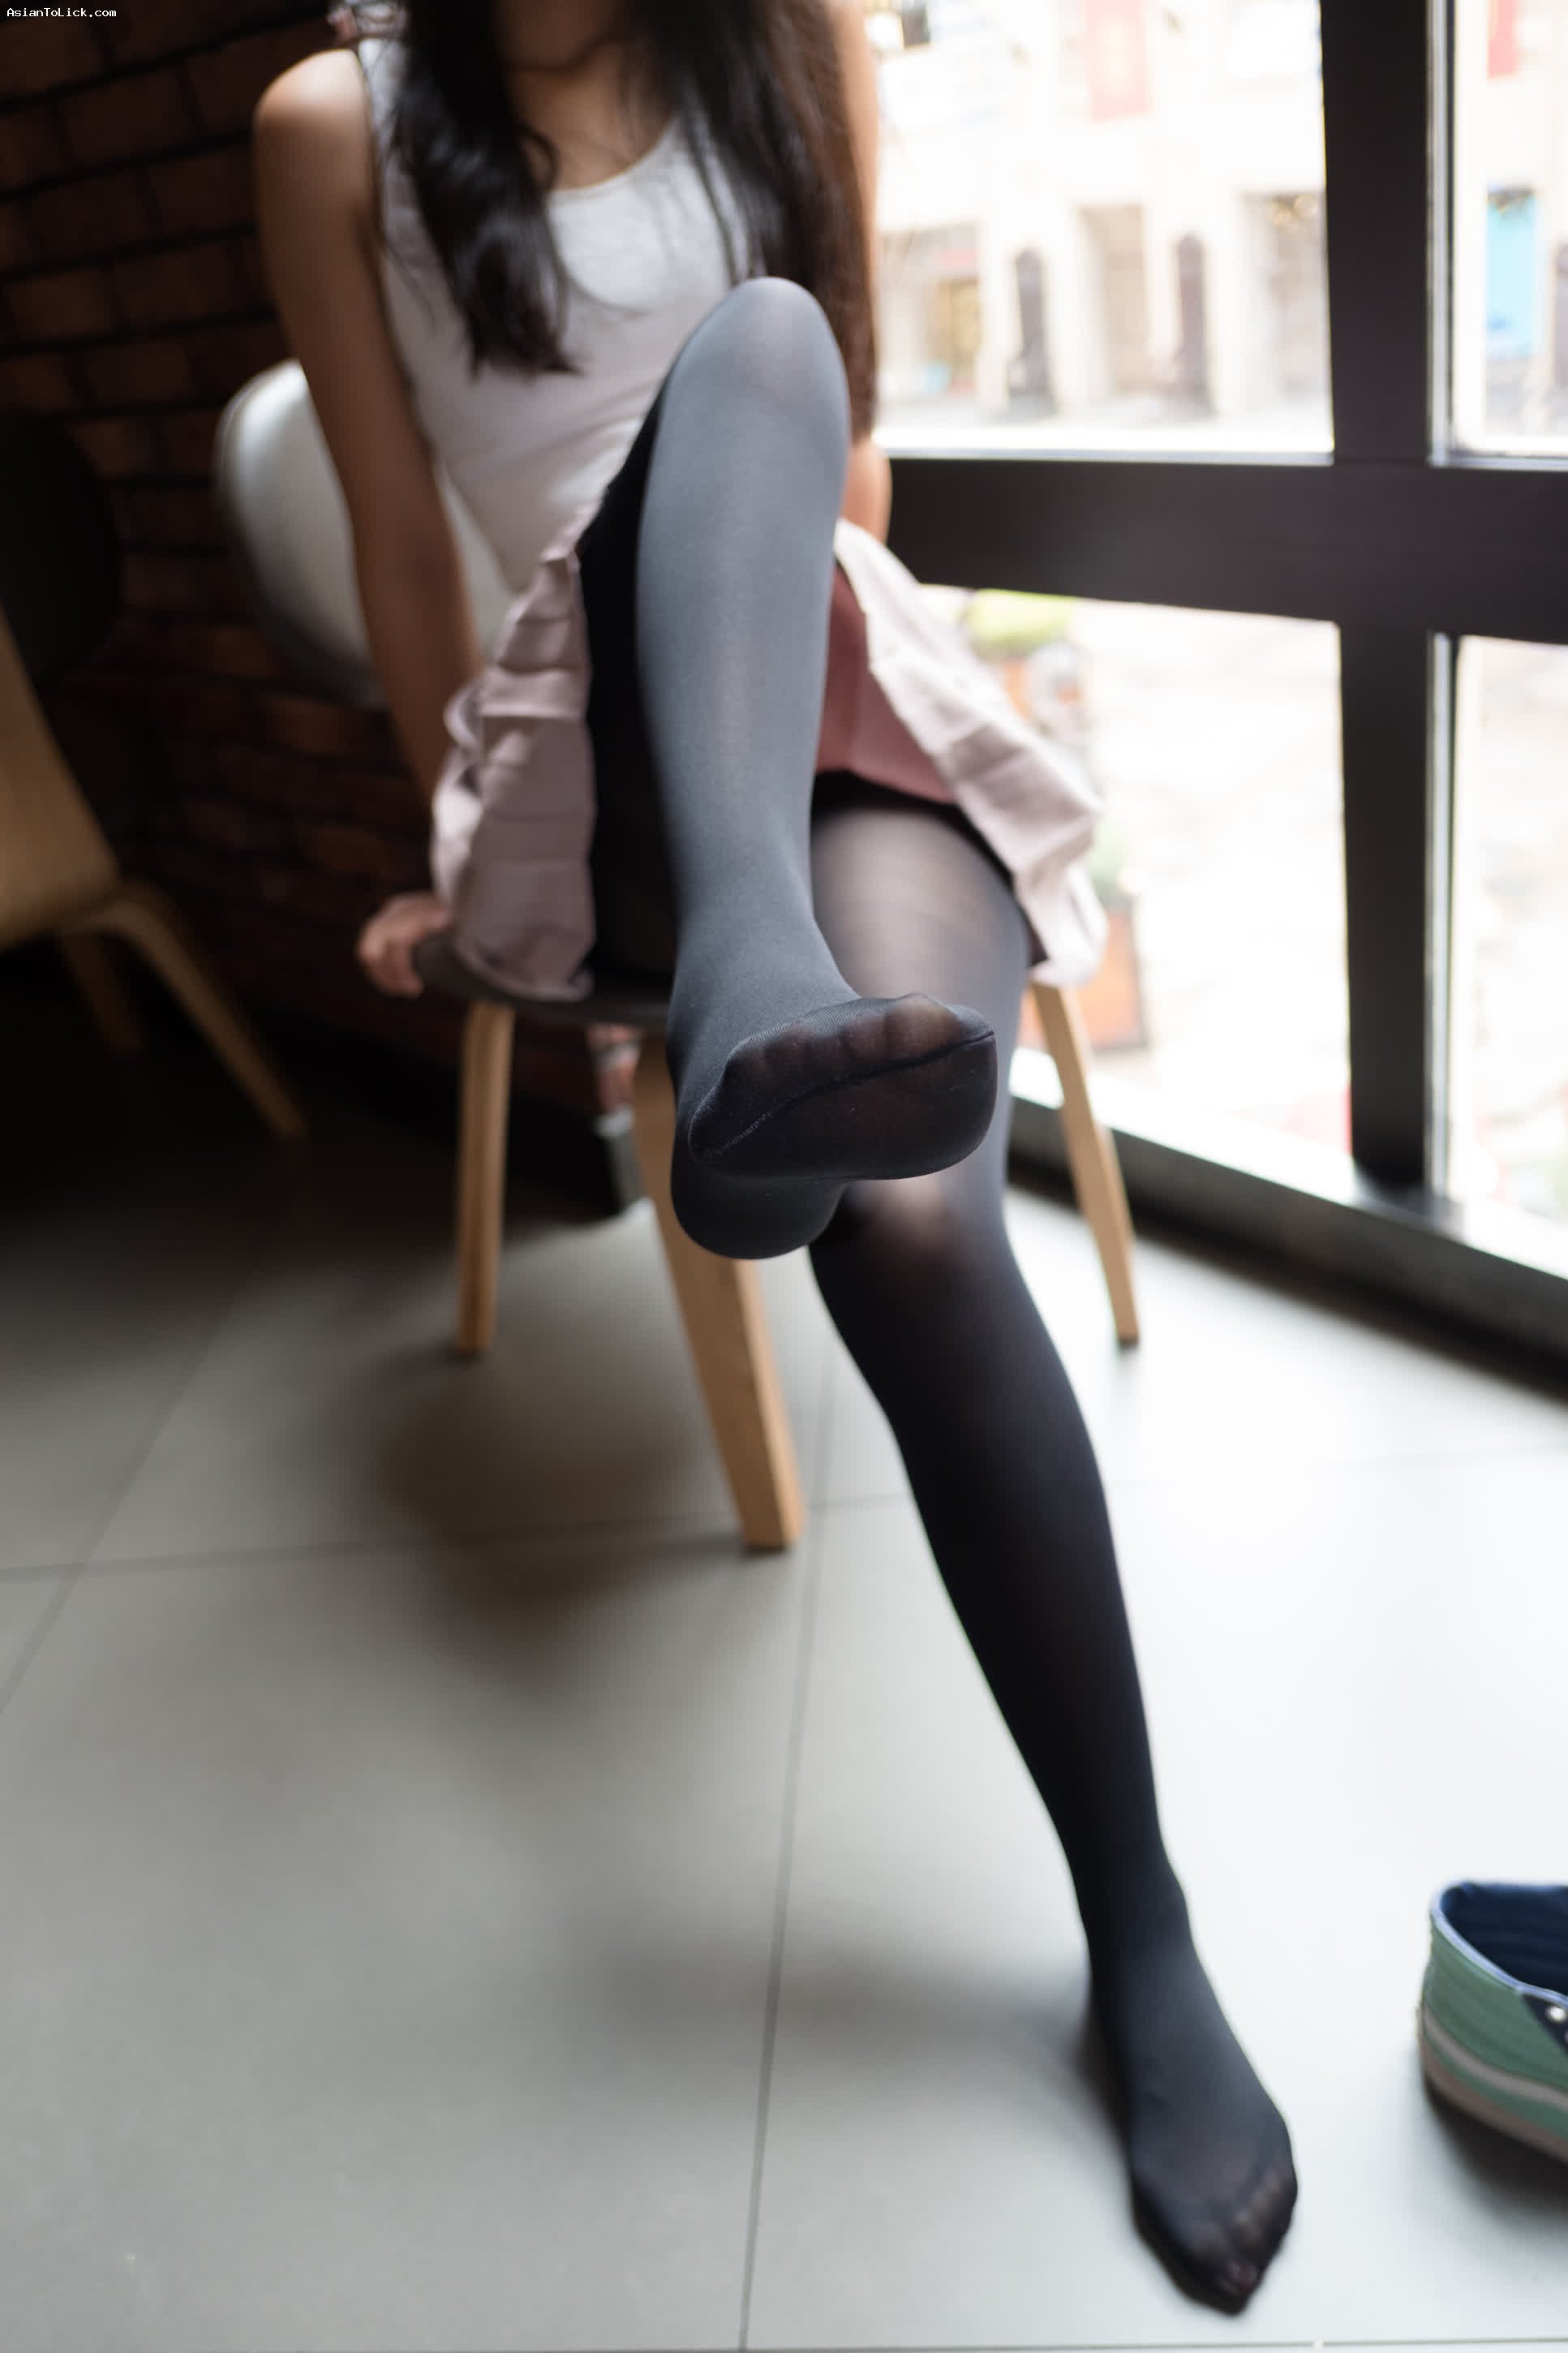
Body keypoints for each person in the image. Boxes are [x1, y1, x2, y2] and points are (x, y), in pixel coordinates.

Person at [253, 0, 1297, 2308]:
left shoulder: (793, 32)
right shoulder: (335, 122)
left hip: (831, 670)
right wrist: (448, 855)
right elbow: (405, 542)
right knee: (754, 347)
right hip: (588, 751)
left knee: (911, 1221)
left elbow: (858, 459)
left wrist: (788, 597)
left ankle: (1140, 1929)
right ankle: (750, 974)